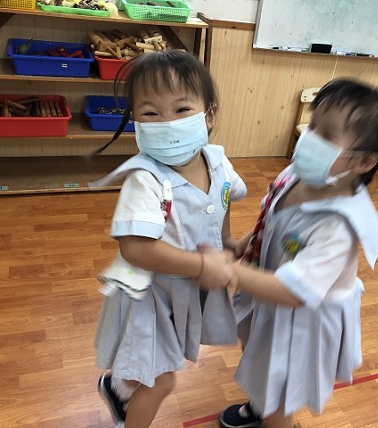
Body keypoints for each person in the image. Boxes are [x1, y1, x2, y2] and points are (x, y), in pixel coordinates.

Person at [203, 79, 378, 428]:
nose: (309, 139)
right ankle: (262, 404)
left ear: (364, 161)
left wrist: (230, 271)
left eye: (326, 135)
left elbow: (295, 292)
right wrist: (245, 243)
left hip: (303, 317)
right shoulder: (298, 174)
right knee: (262, 359)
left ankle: (274, 414)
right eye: (312, 127)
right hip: (269, 290)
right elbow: (272, 216)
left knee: (281, 387)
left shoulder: (339, 226)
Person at [90, 50, 246, 428]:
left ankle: (118, 387)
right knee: (161, 381)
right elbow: (135, 247)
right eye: (150, 113)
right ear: (135, 122)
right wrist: (202, 265)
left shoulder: (217, 161)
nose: (167, 122)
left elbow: (222, 199)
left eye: (181, 109)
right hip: (147, 297)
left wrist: (227, 241)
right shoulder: (145, 179)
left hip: (181, 295)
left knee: (150, 364)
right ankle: (127, 402)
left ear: (209, 115)